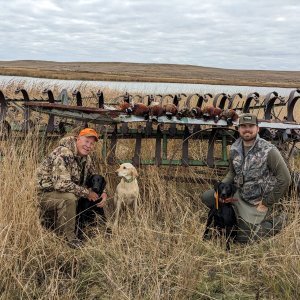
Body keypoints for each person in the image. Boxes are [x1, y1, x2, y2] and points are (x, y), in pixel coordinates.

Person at [202, 113, 291, 243]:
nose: (247, 129)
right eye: (243, 126)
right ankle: (232, 216)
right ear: (238, 129)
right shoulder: (235, 147)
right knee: (208, 197)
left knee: (244, 238)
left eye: (251, 126)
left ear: (257, 129)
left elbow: (285, 179)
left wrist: (267, 202)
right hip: (239, 194)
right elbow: (232, 173)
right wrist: (220, 190)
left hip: (256, 200)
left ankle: (280, 221)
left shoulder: (269, 150)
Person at [37, 128, 107, 248]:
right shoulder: (64, 153)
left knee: (78, 196)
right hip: (45, 194)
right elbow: (61, 184)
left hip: (60, 193)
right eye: (86, 141)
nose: (88, 146)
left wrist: (103, 193)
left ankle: (90, 229)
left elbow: (94, 176)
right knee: (70, 198)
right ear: (78, 139)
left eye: (91, 144)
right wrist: (87, 193)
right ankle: (69, 239)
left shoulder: (86, 158)